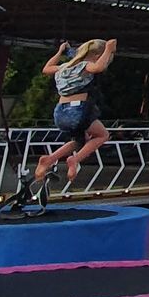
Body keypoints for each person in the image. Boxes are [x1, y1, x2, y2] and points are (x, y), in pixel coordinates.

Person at [29, 38, 118, 189]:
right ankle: (75, 160)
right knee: (103, 135)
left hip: (60, 113)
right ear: (97, 55)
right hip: (77, 110)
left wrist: (60, 52)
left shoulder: (63, 67)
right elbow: (99, 67)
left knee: (79, 141)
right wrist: (108, 49)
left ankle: (49, 159)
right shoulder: (86, 66)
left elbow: (46, 68)